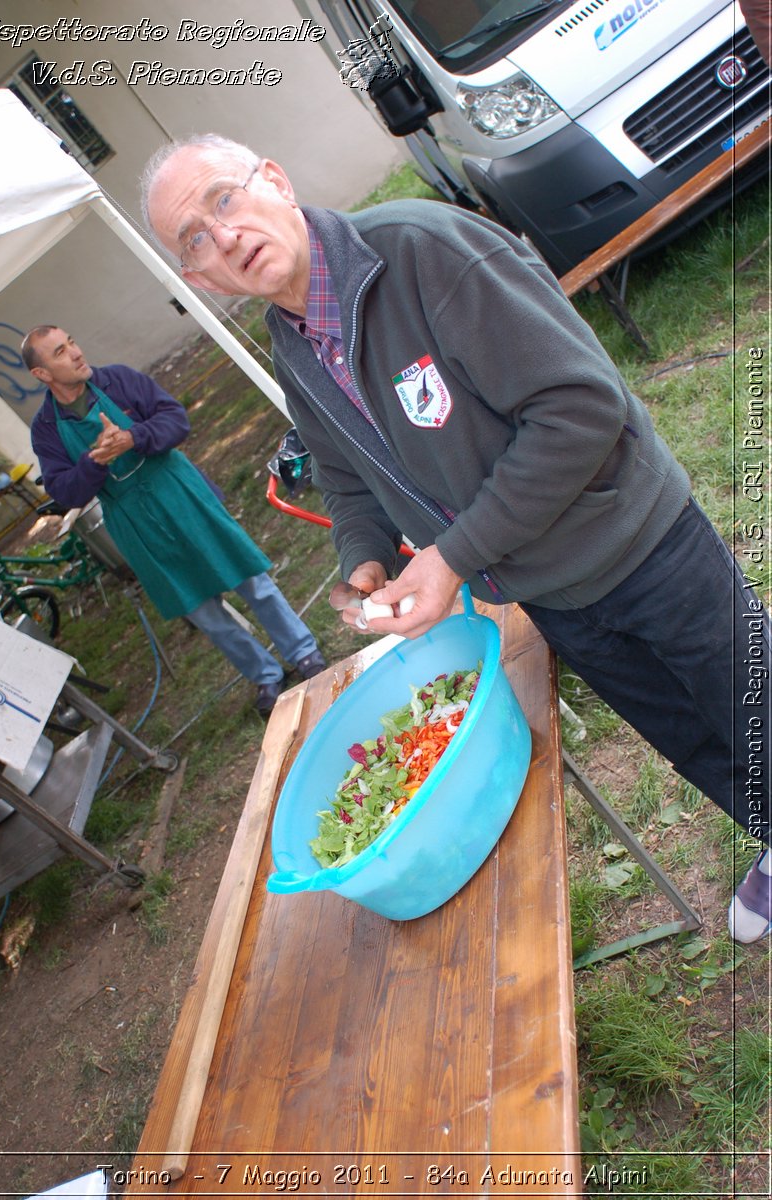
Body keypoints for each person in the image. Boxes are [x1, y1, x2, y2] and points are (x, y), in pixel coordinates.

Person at [141, 135, 771, 942]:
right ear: (199, 280)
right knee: (687, 736)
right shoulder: (293, 342)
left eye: (223, 200)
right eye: (194, 238)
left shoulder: (423, 250)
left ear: (276, 179)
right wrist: (361, 557)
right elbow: (346, 475)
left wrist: (451, 556)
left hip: (638, 542)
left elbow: (581, 410)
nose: (222, 235)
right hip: (548, 590)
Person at [25, 325, 325, 715]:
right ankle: (266, 676)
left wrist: (134, 438)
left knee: (249, 577)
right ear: (41, 374)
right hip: (133, 521)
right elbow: (65, 492)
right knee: (200, 608)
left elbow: (175, 419)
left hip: (178, 492)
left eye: (72, 342)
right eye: (60, 352)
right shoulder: (45, 429)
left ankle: (304, 653)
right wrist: (93, 460)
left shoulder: (118, 380)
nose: (77, 353)